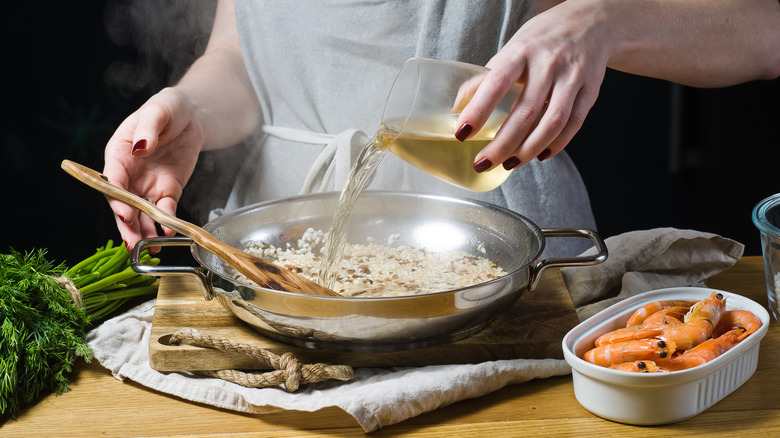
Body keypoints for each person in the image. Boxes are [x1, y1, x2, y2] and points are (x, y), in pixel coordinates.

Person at [103, 0, 780, 257]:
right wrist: (190, 105)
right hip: (284, 256)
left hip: (500, 258)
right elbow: (242, 55)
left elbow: (763, 31)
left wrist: (603, 21)